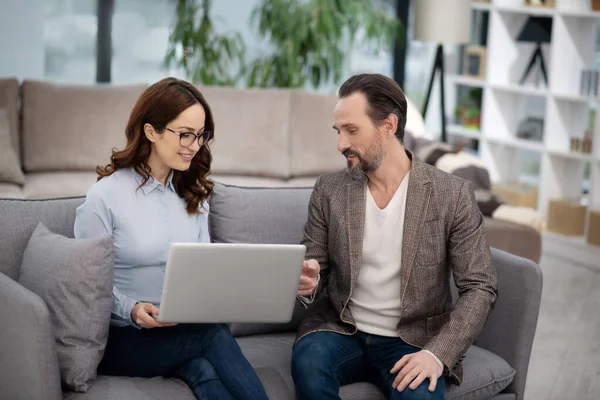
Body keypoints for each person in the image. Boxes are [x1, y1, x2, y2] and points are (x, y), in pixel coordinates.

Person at [292, 73, 498, 400]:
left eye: (351, 130)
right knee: (308, 363)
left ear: (388, 126)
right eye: (338, 131)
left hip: (413, 342)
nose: (340, 144)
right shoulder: (329, 190)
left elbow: (479, 286)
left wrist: (437, 353)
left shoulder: (451, 194)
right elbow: (315, 269)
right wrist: (309, 281)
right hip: (344, 331)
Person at [74, 77, 269, 400]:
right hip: (121, 339)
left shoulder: (193, 196)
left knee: (202, 369)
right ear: (151, 131)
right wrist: (132, 309)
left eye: (201, 135)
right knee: (212, 336)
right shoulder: (103, 198)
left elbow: (203, 269)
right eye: (185, 134)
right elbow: (85, 288)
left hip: (177, 332)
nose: (194, 145)